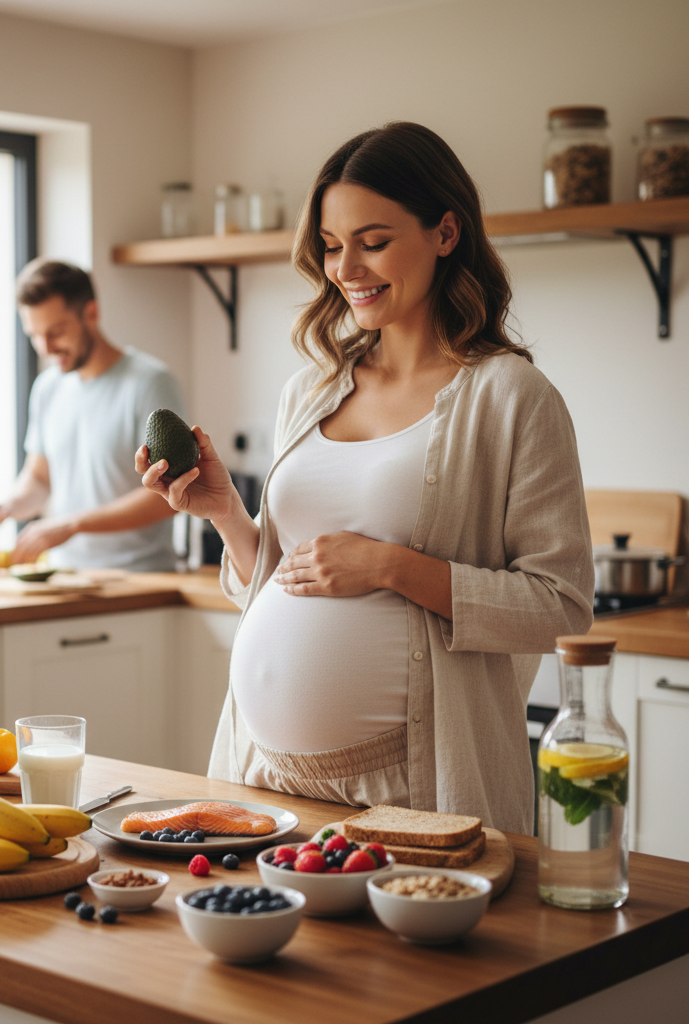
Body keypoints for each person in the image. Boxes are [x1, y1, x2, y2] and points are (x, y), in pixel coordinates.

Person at [137, 123, 594, 834]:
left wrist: (390, 567)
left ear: (446, 233)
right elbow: (286, 579)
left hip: (414, 787)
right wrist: (228, 514)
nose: (345, 268)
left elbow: (561, 606)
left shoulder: (510, 396)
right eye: (329, 245)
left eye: (372, 241)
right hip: (263, 776)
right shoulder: (311, 389)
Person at [0, 258, 186, 571]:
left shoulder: (150, 383)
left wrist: (72, 525)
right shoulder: (47, 388)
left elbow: (172, 492)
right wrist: (7, 507)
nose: (45, 348)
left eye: (55, 332)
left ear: (91, 313)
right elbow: (39, 477)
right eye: (34, 335)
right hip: (66, 575)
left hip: (139, 577)